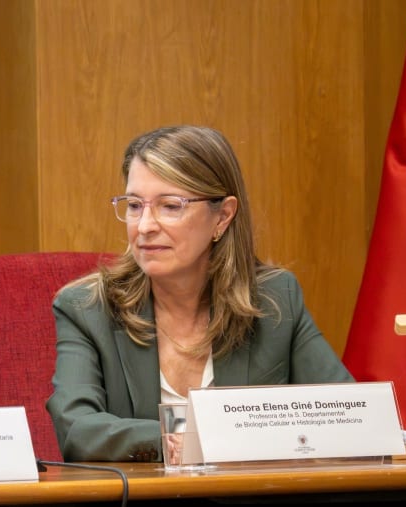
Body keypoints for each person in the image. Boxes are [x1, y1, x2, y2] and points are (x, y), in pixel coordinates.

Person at [46, 125, 353, 462]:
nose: (145, 226)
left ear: (222, 216)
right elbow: (77, 429)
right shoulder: (88, 308)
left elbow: (347, 415)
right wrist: (179, 436)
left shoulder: (275, 300)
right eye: (135, 206)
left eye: (170, 206)